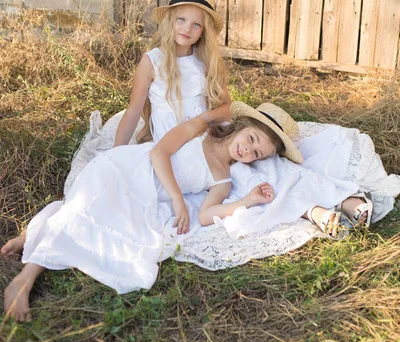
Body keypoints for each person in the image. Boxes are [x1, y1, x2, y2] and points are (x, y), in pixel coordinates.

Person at [2, 101, 302, 322]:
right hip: (125, 168)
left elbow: (206, 216)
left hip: (145, 196)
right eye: (251, 139)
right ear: (242, 126)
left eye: (257, 153)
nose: (247, 151)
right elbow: (160, 152)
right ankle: (24, 279)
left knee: (101, 216)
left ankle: (32, 234)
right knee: (91, 204)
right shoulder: (201, 130)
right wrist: (177, 199)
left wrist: (247, 201)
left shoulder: (222, 178)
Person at [63, 0, 231, 195]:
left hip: (206, 133)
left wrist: (203, 118)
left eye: (196, 24)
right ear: (170, 20)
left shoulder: (205, 62)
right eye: (181, 19)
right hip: (171, 143)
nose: (187, 28)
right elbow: (133, 111)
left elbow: (226, 108)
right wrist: (117, 155)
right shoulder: (152, 62)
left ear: (203, 31)